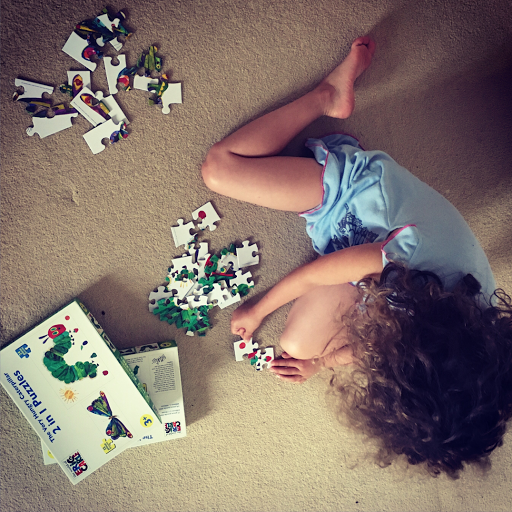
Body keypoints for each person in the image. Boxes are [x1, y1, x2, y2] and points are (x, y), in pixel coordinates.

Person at [201, 36, 512, 477]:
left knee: (297, 347)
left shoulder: (457, 348)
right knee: (219, 168)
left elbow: (373, 351)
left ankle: (340, 325)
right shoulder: (420, 260)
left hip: (379, 276)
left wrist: (319, 363)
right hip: (355, 198)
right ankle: (327, 95)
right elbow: (316, 274)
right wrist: (257, 310)